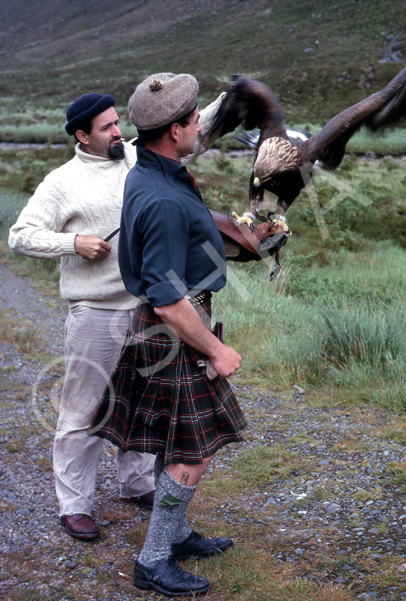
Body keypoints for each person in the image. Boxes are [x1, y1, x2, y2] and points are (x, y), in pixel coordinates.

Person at [91, 73, 247, 597]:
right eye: (196, 118)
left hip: (169, 330)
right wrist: (217, 349)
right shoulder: (159, 197)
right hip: (173, 332)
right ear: (175, 129)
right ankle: (153, 558)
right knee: (193, 452)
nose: (201, 123)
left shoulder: (157, 168)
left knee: (175, 440)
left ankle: (175, 534)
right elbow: (165, 296)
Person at [8, 93, 158, 540]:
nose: (118, 133)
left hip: (146, 306)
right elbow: (20, 236)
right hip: (95, 312)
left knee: (144, 401)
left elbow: (192, 130)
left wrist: (233, 100)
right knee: (84, 409)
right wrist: (73, 244)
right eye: (108, 127)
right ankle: (74, 505)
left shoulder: (136, 157)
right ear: (82, 135)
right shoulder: (60, 183)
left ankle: (137, 483)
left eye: (118, 123)